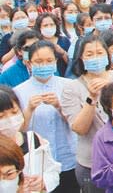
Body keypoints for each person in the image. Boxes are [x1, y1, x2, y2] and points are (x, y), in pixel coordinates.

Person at [60, 35, 113, 192]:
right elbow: (79, 128)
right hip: (93, 164)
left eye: (100, 53)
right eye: (89, 54)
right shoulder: (71, 88)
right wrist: (91, 99)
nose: (96, 58)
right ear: (81, 58)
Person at [15, 41, 78, 192]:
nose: (44, 65)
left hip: (68, 157)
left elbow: (78, 123)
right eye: (38, 61)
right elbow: (17, 131)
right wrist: (29, 109)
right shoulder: (19, 92)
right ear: (29, 63)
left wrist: (59, 106)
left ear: (56, 62)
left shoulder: (69, 86)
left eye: (49, 61)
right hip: (36, 161)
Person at [0, 85, 62, 192]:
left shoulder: (33, 139)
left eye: (14, 112)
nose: (10, 119)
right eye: (1, 116)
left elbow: (53, 171)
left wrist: (44, 182)